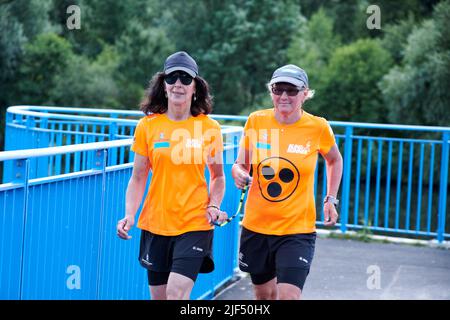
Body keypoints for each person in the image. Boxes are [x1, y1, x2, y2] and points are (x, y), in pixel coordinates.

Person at [116, 51, 227, 300]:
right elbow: (138, 178)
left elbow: (218, 177)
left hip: (194, 223)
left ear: (195, 88)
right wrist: (129, 214)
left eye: (185, 79)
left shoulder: (209, 128)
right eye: (172, 77)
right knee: (160, 297)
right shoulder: (148, 126)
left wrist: (214, 205)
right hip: (156, 223)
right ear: (164, 86)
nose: (178, 83)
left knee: (176, 294)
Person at [232, 64, 343, 300]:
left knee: (288, 296)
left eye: (291, 90)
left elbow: (334, 160)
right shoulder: (256, 121)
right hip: (257, 226)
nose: (284, 96)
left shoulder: (318, 127)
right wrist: (237, 172)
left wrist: (330, 199)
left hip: (297, 230)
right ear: (271, 92)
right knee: (264, 295)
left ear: (305, 93)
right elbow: (241, 164)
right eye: (278, 89)